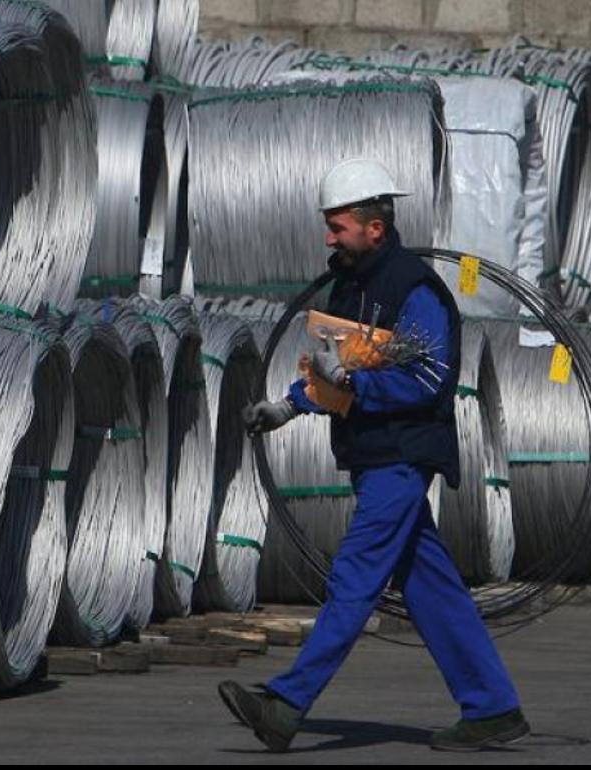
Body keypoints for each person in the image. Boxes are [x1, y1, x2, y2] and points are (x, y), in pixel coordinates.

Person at [218, 158, 528, 753]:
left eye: (337, 228)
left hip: (402, 459)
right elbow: (340, 370)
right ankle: (493, 708)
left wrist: (355, 385)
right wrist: (292, 405)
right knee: (431, 587)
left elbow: (427, 382)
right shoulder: (351, 285)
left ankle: (285, 705)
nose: (328, 238)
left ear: (374, 228)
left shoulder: (415, 289)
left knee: (355, 577)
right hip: (374, 455)